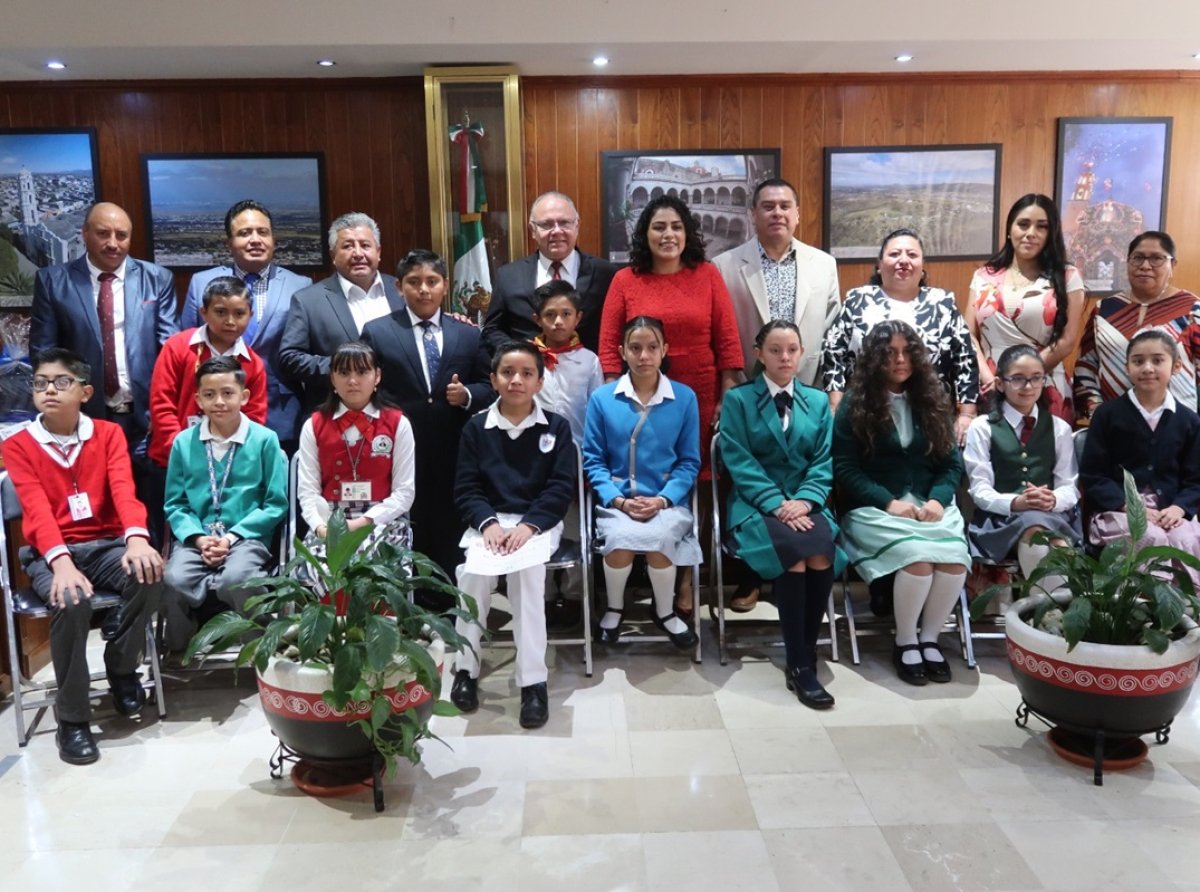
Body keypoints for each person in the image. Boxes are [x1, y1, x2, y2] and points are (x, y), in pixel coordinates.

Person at [1, 348, 165, 765]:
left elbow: (124, 490)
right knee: (72, 598)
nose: (49, 390)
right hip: (49, 552)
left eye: (61, 382)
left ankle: (121, 667)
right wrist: (61, 565)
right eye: (40, 383)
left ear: (85, 392)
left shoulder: (108, 434)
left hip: (105, 543)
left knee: (149, 573)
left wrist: (136, 539)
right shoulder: (19, 445)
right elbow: (36, 509)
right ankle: (72, 719)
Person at [597, 194, 742, 616]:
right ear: (644, 234)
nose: (668, 234)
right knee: (646, 472)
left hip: (699, 389)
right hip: (638, 395)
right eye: (659, 226)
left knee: (697, 481)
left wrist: (727, 391)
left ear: (688, 232)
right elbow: (609, 345)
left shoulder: (707, 275)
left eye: (676, 226)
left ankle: (686, 578)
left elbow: (727, 338)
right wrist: (614, 398)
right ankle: (645, 564)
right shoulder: (626, 280)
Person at [832, 321, 970, 686]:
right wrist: (887, 502)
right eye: (889, 353)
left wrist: (939, 500)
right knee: (918, 560)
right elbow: (844, 468)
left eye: (907, 352)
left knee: (954, 562)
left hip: (929, 506)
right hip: (874, 509)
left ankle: (930, 640)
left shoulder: (933, 401)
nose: (899, 360)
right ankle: (906, 640)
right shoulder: (854, 404)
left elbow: (951, 465)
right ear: (874, 359)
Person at [449, 342, 576, 729]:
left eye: (526, 373)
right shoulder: (477, 427)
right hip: (489, 523)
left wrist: (528, 526)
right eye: (507, 372)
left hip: (536, 524)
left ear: (539, 382)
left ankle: (533, 682)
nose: (516, 380)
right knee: (471, 576)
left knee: (528, 576)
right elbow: (467, 489)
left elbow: (560, 488)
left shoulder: (556, 427)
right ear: (493, 379)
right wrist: (488, 524)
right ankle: (465, 669)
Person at [719, 321, 839, 709]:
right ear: (759, 354)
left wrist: (804, 501)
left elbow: (823, 460)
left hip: (806, 504)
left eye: (791, 350)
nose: (784, 357)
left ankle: (806, 649)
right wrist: (776, 503)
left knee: (821, 553)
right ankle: (799, 663)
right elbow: (738, 459)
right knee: (795, 556)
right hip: (756, 505)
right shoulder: (739, 400)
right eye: (775, 350)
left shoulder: (817, 401)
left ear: (801, 353)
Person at [361, 249, 494, 582]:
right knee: (409, 526)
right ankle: (409, 600)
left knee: (450, 529)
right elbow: (367, 388)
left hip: (454, 450)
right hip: (399, 451)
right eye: (414, 282)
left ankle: (450, 600)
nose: (423, 289)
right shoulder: (378, 331)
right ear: (398, 286)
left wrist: (466, 395)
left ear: (445, 286)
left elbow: (489, 385)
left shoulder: (467, 333)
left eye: (432, 281)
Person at [583, 316, 702, 650]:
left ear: (665, 350)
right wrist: (618, 500)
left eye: (652, 347)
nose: (644, 356)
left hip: (666, 502)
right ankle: (614, 608)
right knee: (620, 539)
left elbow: (689, 461)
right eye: (635, 348)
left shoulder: (684, 398)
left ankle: (664, 611)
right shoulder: (603, 399)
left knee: (661, 538)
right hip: (618, 502)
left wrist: (662, 500)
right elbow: (593, 459)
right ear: (622, 352)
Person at [161, 357, 288, 652]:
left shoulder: (265, 440)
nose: (219, 401)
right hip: (197, 539)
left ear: (244, 396)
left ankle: (258, 649)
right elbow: (176, 503)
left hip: (247, 538)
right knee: (173, 579)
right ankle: (180, 650)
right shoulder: (183, 443)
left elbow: (275, 503)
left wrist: (230, 538)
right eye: (209, 394)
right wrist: (199, 538)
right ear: (198, 400)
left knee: (238, 579)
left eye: (228, 393)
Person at [30, 201, 179, 449]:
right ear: (85, 233)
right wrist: (64, 409)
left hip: (146, 420)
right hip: (82, 419)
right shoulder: (52, 282)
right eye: (103, 233)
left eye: (121, 235)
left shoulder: (157, 279)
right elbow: (44, 355)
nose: (112, 243)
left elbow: (170, 351)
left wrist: (163, 411)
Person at [821, 227, 979, 444]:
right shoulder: (858, 300)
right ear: (879, 264)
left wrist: (967, 413)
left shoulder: (942, 303)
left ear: (922, 266)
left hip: (931, 415)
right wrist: (836, 404)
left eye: (912, 255)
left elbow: (965, 357)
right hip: (866, 413)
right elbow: (833, 351)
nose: (903, 260)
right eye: (895, 254)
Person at [181, 199, 314, 450]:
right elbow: (186, 350)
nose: (255, 240)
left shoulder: (300, 285)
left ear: (274, 240)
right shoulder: (201, 283)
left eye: (263, 232)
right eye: (245, 233)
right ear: (229, 243)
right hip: (214, 412)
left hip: (281, 413)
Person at [1079, 330, 1200, 589]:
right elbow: (1093, 475)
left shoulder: (1188, 420)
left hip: (1170, 510)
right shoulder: (1107, 415)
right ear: (1127, 367)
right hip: (1119, 510)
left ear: (1176, 366)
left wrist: (1179, 508)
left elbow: (1195, 479)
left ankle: (1189, 609)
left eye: (1157, 360)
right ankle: (1147, 608)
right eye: (1138, 361)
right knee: (1150, 537)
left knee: (1186, 540)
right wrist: (1131, 507)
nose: (1147, 368)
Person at [963, 345, 1081, 603]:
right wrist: (1016, 502)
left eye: (1036, 378)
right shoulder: (982, 427)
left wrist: (1052, 499)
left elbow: (1069, 485)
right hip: (1000, 519)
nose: (1028, 386)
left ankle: (1055, 614)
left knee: (1057, 542)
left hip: (1053, 515)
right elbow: (980, 489)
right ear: (1000, 383)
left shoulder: (1059, 428)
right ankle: (1047, 613)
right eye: (1018, 379)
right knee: (1035, 532)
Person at [295, 341, 415, 572]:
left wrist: (362, 523)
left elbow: (405, 492)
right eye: (343, 373)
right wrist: (320, 528)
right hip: (329, 520)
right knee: (324, 570)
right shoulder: (314, 425)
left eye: (361, 372)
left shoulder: (398, 423)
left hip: (382, 518)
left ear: (377, 376)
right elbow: (307, 491)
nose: (352, 380)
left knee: (374, 570)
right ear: (332, 378)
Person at [965, 194, 1085, 423]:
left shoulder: (1067, 276)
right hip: (992, 386)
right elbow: (968, 334)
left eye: (1042, 226)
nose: (1031, 233)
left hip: (1043, 386)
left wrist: (1023, 378)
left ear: (1051, 234)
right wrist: (991, 379)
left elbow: (1067, 341)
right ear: (1009, 230)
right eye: (1023, 224)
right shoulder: (983, 275)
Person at [711, 177, 841, 384]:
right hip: (747, 389)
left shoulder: (824, 265)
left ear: (797, 214)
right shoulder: (723, 267)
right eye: (768, 207)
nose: (777, 213)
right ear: (753, 215)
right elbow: (720, 336)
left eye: (785, 206)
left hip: (808, 387)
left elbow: (832, 334)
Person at [529, 279, 603, 626]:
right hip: (534, 458)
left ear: (578, 318)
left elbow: (597, 409)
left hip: (577, 457)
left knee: (575, 523)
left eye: (565, 314)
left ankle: (574, 593)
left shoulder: (589, 361)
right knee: (539, 522)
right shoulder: (527, 358)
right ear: (537, 319)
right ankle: (543, 593)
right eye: (550, 315)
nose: (558, 322)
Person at [279, 212, 405, 414]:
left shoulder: (402, 291)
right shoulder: (308, 300)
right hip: (334, 415)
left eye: (365, 245)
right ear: (333, 256)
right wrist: (345, 369)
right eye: (347, 246)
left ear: (378, 251)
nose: (358, 253)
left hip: (399, 413)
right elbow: (290, 358)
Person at [1074, 231, 1200, 419]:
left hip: (1177, 425)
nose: (1145, 266)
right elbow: (1086, 365)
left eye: (1156, 258)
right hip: (1114, 423)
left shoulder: (1192, 308)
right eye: (1138, 258)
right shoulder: (1104, 309)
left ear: (1173, 264)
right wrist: (1097, 410)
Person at [147, 276, 268, 469]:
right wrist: (181, 452)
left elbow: (254, 417)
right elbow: (162, 405)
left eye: (239, 313)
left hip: (228, 465)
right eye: (220, 312)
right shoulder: (177, 347)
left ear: (250, 315)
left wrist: (228, 458)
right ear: (204, 313)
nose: (230, 321)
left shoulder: (253, 363)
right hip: (175, 460)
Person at [481, 191, 619, 354]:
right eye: (547, 224)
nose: (557, 231)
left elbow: (617, 330)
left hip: (589, 368)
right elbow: (492, 330)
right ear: (533, 230)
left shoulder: (605, 274)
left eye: (564, 223)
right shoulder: (508, 276)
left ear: (577, 226)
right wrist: (520, 354)